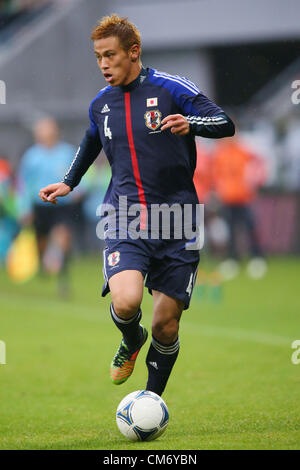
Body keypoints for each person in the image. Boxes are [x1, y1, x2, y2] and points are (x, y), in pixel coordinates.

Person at [39, 14, 235, 396]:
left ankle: (150, 400)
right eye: (98, 57)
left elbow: (224, 122)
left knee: (167, 325)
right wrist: (68, 182)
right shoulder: (101, 103)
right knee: (126, 301)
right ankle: (131, 338)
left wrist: (191, 123)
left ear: (133, 52)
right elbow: (90, 142)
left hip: (178, 221)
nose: (104, 64)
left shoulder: (171, 89)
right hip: (124, 216)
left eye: (110, 55)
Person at [18, 117, 85, 294]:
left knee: (63, 235)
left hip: (62, 205)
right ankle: (43, 262)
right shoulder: (32, 156)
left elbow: (80, 171)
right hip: (40, 206)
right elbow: (23, 184)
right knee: (41, 240)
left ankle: (63, 276)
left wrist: (79, 189)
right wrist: (24, 207)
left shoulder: (67, 152)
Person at [212, 132, 267, 279]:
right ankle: (233, 259)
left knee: (250, 227)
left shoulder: (243, 151)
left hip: (244, 198)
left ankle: (257, 258)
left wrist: (257, 181)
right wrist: (218, 190)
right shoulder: (220, 153)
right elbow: (215, 175)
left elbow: (259, 164)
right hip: (227, 198)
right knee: (230, 230)